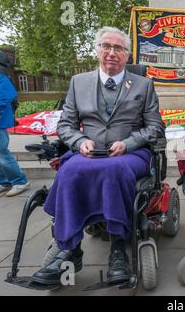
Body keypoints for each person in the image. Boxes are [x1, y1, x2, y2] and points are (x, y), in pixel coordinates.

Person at [31, 27, 165, 285]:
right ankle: (70, 247)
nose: (111, 53)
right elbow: (65, 125)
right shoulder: (78, 83)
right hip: (89, 151)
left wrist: (127, 143)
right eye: (106, 46)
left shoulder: (143, 85)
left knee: (115, 170)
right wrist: (79, 141)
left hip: (129, 152)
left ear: (127, 55)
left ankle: (117, 248)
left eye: (118, 48)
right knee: (69, 170)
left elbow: (154, 126)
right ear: (97, 51)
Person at [0, 50, 30, 197]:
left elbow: (2, 99)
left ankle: (20, 181)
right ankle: (3, 182)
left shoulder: (0, 75)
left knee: (0, 153)